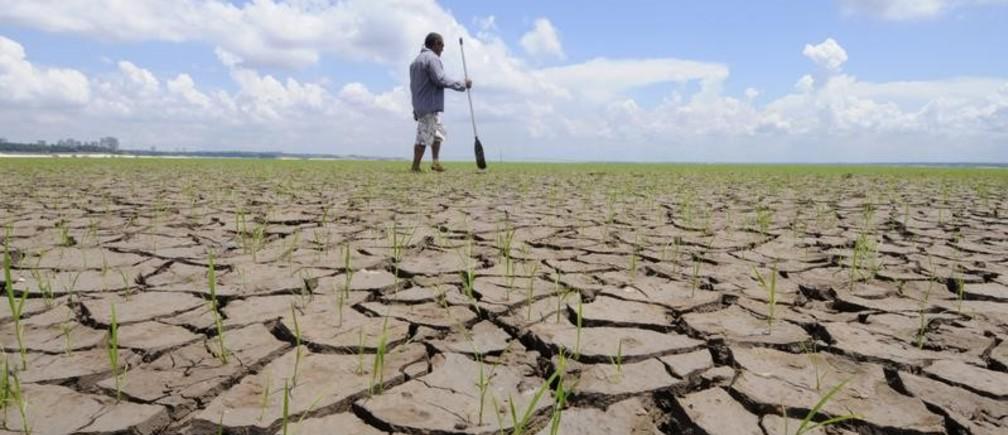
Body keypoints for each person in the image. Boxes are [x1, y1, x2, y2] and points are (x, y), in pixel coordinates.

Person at [409, 32, 472, 173]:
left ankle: (435, 162)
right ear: (436, 43)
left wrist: (415, 108)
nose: (443, 49)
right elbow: (440, 79)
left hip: (422, 104)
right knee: (423, 136)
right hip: (429, 104)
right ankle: (415, 166)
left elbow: (413, 87)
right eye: (442, 45)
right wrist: (462, 84)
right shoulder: (432, 58)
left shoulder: (415, 62)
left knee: (437, 134)